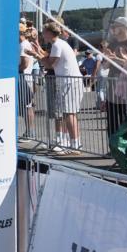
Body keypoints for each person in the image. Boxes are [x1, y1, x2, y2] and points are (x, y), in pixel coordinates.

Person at [42, 22, 82, 154]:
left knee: (69, 113)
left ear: (49, 33)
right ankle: (72, 143)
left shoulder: (57, 45)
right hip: (67, 81)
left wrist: (37, 55)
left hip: (69, 81)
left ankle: (75, 144)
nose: (42, 34)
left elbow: (49, 65)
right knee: (68, 113)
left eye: (44, 32)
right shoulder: (59, 44)